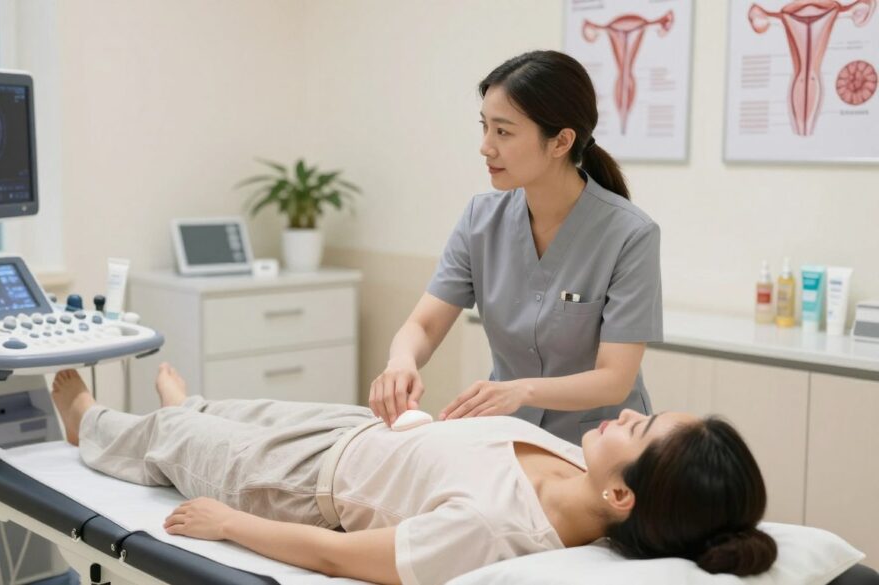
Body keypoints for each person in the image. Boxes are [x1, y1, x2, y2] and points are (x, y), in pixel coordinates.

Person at [50, 363, 777, 585]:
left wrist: (226, 521)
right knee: (223, 408)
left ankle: (93, 424)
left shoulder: (496, 531)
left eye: (639, 428)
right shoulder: (575, 464)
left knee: (178, 433)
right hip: (353, 433)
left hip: (303, 482)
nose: (624, 414)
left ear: (623, 495)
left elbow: (339, 556)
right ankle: (191, 415)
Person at [370, 50, 663, 445]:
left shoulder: (630, 234)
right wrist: (401, 362)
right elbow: (424, 324)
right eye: (485, 127)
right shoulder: (480, 219)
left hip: (599, 447)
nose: (486, 147)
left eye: (503, 132)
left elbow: (614, 379)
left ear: (560, 141)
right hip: (508, 438)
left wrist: (520, 391)